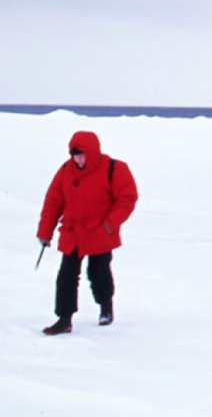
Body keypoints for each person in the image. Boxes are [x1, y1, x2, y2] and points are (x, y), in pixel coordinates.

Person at [36, 131, 137, 335]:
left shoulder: (114, 168)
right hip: (73, 232)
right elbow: (53, 202)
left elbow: (127, 198)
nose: (78, 159)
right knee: (66, 275)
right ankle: (64, 319)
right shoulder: (65, 170)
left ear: (92, 152)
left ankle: (105, 308)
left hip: (99, 232)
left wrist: (109, 225)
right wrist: (45, 232)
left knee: (98, 273)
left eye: (82, 154)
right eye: (75, 155)